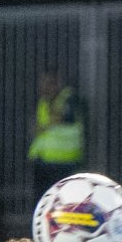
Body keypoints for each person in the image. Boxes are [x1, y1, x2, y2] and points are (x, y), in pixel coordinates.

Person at [29, 71, 87, 200]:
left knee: (64, 200)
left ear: (57, 82)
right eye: (42, 83)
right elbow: (35, 127)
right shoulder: (44, 102)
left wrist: (44, 126)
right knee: (43, 199)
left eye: (48, 83)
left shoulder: (69, 97)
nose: (44, 87)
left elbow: (65, 117)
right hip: (43, 160)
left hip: (65, 161)